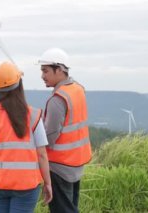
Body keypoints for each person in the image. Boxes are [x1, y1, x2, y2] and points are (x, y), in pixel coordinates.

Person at [0, 61, 52, 213]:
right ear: (19, 85)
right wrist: (48, 183)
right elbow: (42, 155)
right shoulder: (34, 115)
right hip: (27, 185)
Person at [36, 48, 92, 213]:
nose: (42, 76)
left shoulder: (58, 99)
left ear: (60, 70)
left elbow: (48, 137)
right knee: (71, 208)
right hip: (76, 163)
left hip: (59, 167)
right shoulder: (78, 89)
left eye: (45, 71)